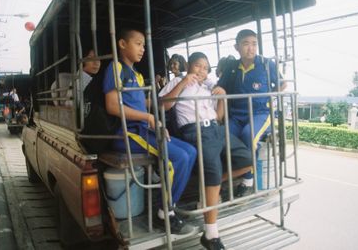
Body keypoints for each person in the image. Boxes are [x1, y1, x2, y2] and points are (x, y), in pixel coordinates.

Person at [103, 28, 196, 234]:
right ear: (122, 44)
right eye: (138, 43)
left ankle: (170, 205)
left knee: (190, 151)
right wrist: (149, 117)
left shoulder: (136, 74)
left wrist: (160, 102)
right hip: (127, 133)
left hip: (142, 130)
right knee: (179, 158)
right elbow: (112, 105)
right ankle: (165, 213)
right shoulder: (116, 67)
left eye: (144, 45)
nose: (142, 49)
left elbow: (141, 103)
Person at [159, 52, 253, 250]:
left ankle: (210, 187)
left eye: (205, 67)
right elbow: (164, 105)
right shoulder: (178, 80)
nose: (202, 70)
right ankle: (211, 234)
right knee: (213, 171)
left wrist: (221, 98)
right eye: (198, 66)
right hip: (196, 130)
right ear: (189, 66)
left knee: (248, 159)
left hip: (216, 129)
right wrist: (184, 82)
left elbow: (219, 117)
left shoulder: (208, 86)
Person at [215, 29, 286, 197]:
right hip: (236, 115)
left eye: (254, 44)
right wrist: (219, 90)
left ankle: (248, 179)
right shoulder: (231, 67)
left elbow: (282, 84)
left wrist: (270, 98)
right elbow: (221, 86)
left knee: (248, 135)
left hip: (260, 114)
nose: (251, 48)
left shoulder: (267, 64)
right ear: (237, 47)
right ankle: (228, 177)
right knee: (222, 138)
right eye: (246, 44)